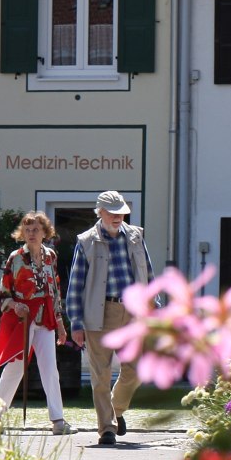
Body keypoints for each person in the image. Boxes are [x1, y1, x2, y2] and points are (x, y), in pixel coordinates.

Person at [66, 191, 152, 446]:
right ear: (100, 212)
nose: (118, 217)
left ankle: (116, 409)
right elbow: (75, 284)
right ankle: (106, 429)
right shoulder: (86, 241)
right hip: (98, 313)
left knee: (135, 370)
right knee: (100, 375)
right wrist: (76, 322)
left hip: (133, 312)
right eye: (112, 212)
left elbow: (148, 272)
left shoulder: (136, 236)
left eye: (121, 212)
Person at [0, 211, 74, 435]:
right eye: (27, 230)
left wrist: (59, 322)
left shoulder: (51, 256)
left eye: (36, 229)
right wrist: (14, 305)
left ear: (45, 232)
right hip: (23, 317)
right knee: (15, 367)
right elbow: (3, 294)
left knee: (50, 369)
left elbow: (55, 290)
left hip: (45, 318)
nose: (31, 234)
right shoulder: (15, 257)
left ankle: (58, 420)